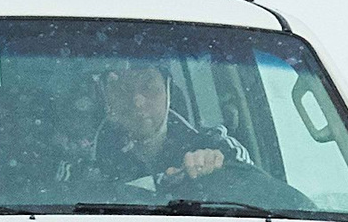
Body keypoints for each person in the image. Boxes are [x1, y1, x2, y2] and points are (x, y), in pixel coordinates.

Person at [71, 57, 249, 196]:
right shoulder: (78, 160)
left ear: (168, 91)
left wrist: (218, 169)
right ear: (106, 97)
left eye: (149, 87)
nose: (137, 101)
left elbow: (256, 190)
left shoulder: (218, 146)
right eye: (123, 90)